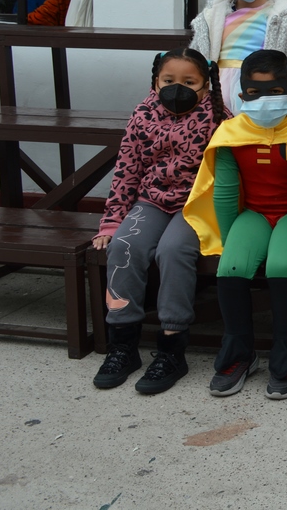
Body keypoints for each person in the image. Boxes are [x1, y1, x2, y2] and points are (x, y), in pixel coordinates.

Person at [183, 50, 287, 401]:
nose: (263, 99)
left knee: (282, 265)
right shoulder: (230, 134)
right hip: (254, 214)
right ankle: (239, 354)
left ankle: (286, 355)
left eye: (274, 92)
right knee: (231, 267)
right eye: (254, 92)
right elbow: (226, 192)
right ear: (242, 94)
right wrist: (232, 241)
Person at [91, 49, 226, 394]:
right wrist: (112, 221)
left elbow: (227, 173)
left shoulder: (217, 117)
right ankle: (123, 344)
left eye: (189, 82)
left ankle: (171, 347)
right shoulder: (143, 114)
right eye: (168, 80)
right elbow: (127, 169)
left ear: (206, 85)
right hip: (151, 201)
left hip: (196, 205)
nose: (177, 88)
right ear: (155, 82)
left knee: (173, 250)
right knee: (124, 246)